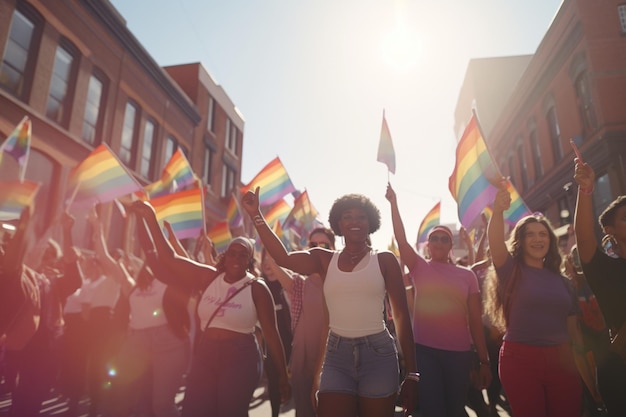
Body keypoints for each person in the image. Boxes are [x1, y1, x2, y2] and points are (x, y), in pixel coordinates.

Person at [241, 187, 418, 417]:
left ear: (370, 222)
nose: (355, 221)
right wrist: (256, 215)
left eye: (361, 217)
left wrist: (413, 374)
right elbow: (282, 257)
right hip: (337, 354)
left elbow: (402, 317)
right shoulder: (324, 260)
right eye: (347, 216)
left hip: (378, 354)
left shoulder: (385, 260)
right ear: (338, 223)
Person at [130, 200, 290, 417]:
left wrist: (282, 375)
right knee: (195, 410)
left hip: (240, 356)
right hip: (205, 353)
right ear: (226, 255)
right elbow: (169, 258)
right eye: (232, 253)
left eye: (243, 254)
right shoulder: (209, 277)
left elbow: (271, 334)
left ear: (250, 260)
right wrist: (150, 217)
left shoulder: (257, 288)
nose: (236, 258)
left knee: (229, 412)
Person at [486, 181, 598, 417]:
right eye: (531, 235)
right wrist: (497, 211)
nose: (538, 240)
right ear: (521, 240)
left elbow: (574, 334)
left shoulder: (564, 281)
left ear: (550, 240)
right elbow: (496, 243)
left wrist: (589, 378)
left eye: (543, 234)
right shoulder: (510, 271)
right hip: (520, 360)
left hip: (563, 361)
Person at [385, 183, 491, 417]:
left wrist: (484, 359)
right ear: (428, 244)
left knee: (455, 409)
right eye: (435, 238)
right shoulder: (419, 268)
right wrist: (393, 203)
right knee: (433, 409)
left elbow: (474, 319)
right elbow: (401, 241)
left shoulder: (467, 275)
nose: (439, 243)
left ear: (451, 245)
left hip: (460, 353)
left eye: (444, 239)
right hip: (425, 352)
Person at [2, 209, 82, 417]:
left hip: (47, 348)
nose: (47, 258)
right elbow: (12, 264)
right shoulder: (20, 275)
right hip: (20, 345)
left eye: (51, 255)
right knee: (20, 395)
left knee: (34, 396)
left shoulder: (53, 283)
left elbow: (74, 280)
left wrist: (67, 232)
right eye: (42, 252)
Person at [573, 159, 626, 416]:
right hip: (618, 369)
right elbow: (583, 238)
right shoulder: (605, 269)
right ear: (610, 230)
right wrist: (586, 190)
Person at [268, 227, 335, 417]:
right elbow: (275, 262)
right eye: (313, 245)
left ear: (333, 247)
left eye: (324, 245)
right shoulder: (300, 284)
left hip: (333, 359)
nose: (319, 249)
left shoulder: (341, 280)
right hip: (303, 360)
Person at [260, 250, 293, 417]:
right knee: (274, 382)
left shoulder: (287, 284)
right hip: (270, 345)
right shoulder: (258, 286)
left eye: (271, 259)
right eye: (264, 260)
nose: (267, 264)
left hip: (291, 345)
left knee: (293, 384)